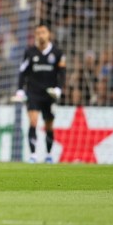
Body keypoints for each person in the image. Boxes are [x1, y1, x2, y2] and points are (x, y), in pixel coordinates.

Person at [15, 24, 66, 163]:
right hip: (33, 93)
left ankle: (49, 154)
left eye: (43, 32)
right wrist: (20, 89)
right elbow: (22, 72)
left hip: (49, 94)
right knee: (33, 121)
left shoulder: (57, 53)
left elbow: (62, 73)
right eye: (38, 33)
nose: (40, 35)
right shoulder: (30, 52)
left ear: (49, 34)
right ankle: (33, 155)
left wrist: (59, 89)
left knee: (49, 125)